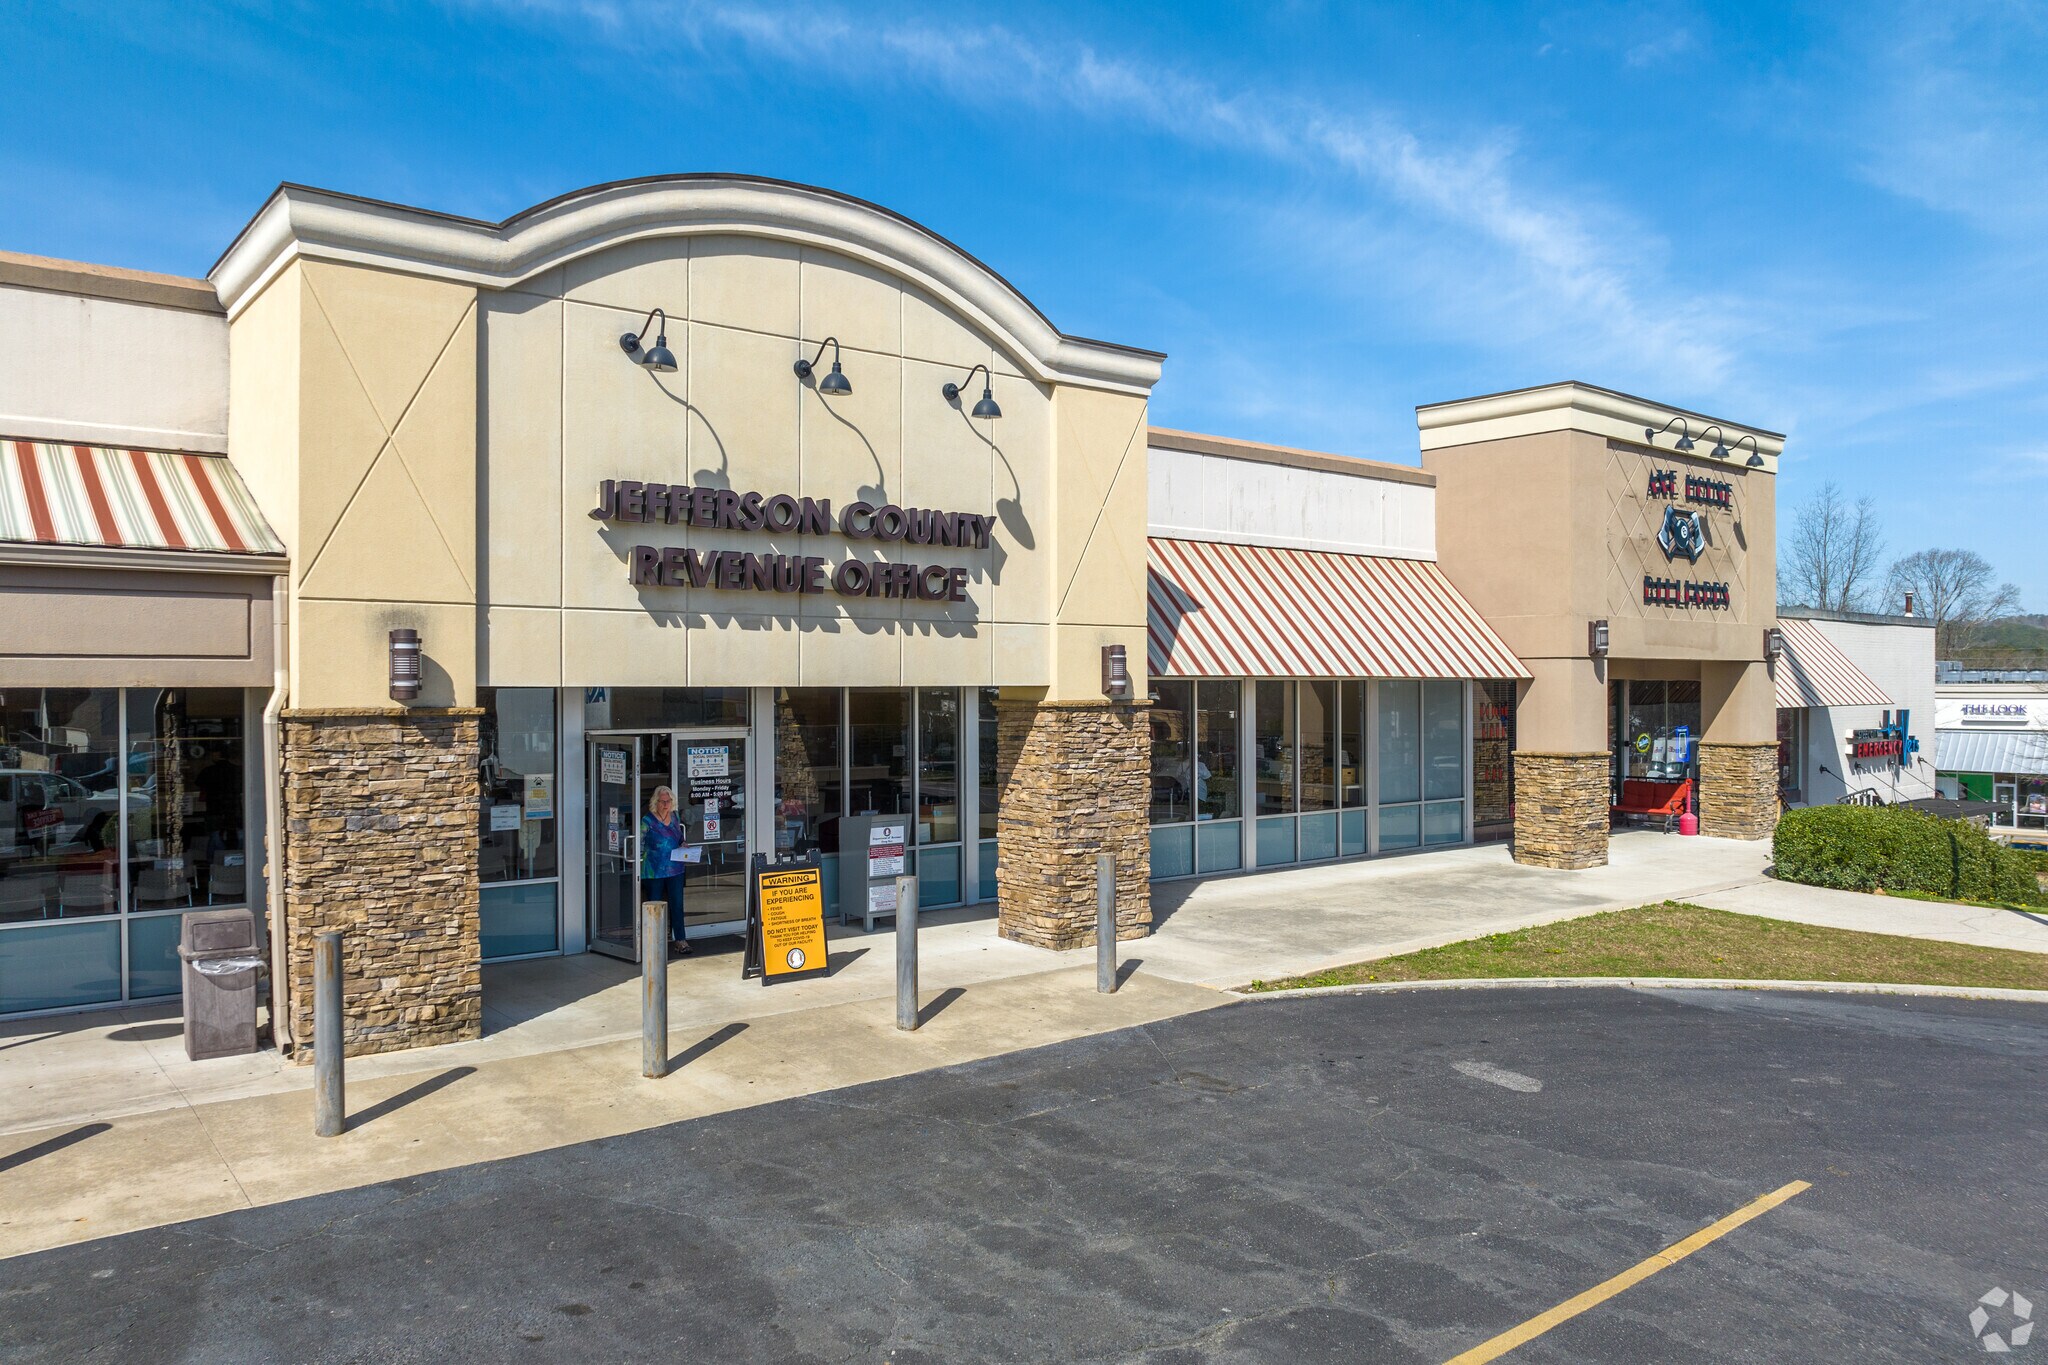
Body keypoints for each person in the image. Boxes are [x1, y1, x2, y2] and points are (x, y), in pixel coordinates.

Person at [640, 785, 691, 958]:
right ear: (656, 802)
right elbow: (639, 842)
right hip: (654, 870)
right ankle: (653, 942)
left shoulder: (674, 817)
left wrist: (683, 844)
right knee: (654, 906)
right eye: (662, 801)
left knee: (677, 904)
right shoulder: (648, 820)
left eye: (668, 801)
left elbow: (680, 838)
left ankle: (681, 940)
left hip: (675, 868)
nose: (665, 805)